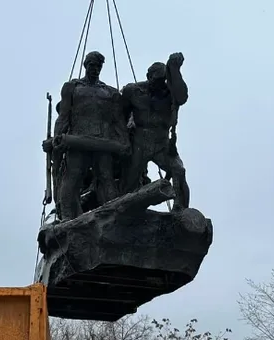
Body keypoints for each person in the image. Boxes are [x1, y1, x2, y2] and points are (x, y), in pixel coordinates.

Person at [45, 51, 128, 221]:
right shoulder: (72, 88)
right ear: (85, 65)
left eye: (98, 66)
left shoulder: (110, 92)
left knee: (106, 178)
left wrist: (124, 141)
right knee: (72, 177)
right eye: (92, 65)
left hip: (102, 142)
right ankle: (66, 218)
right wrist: (57, 138)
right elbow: (64, 116)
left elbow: (117, 120)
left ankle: (114, 218)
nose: (95, 69)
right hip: (78, 141)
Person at [121, 54, 190, 209]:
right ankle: (123, 209)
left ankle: (181, 210)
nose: (159, 84)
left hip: (162, 142)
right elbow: (121, 116)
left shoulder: (171, 93)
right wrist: (123, 138)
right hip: (139, 142)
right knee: (130, 181)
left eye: (162, 80)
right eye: (156, 79)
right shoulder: (133, 91)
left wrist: (175, 69)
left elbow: (182, 97)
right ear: (148, 76)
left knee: (178, 170)